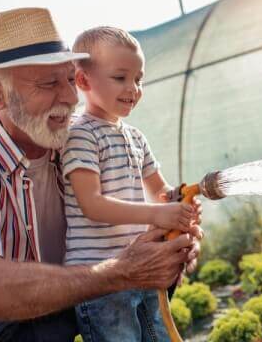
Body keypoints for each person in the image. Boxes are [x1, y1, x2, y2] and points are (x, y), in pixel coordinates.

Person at [0, 8, 202, 342]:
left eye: (70, 79)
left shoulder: (74, 138)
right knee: (39, 333)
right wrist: (121, 271)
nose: (72, 98)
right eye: (49, 83)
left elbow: (145, 205)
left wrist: (175, 240)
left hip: (80, 291)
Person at [62, 26, 200, 342]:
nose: (133, 88)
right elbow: (91, 204)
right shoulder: (81, 135)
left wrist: (179, 202)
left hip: (143, 267)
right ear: (83, 81)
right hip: (101, 281)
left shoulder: (136, 137)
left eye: (139, 79)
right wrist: (156, 215)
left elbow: (160, 193)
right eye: (120, 77)